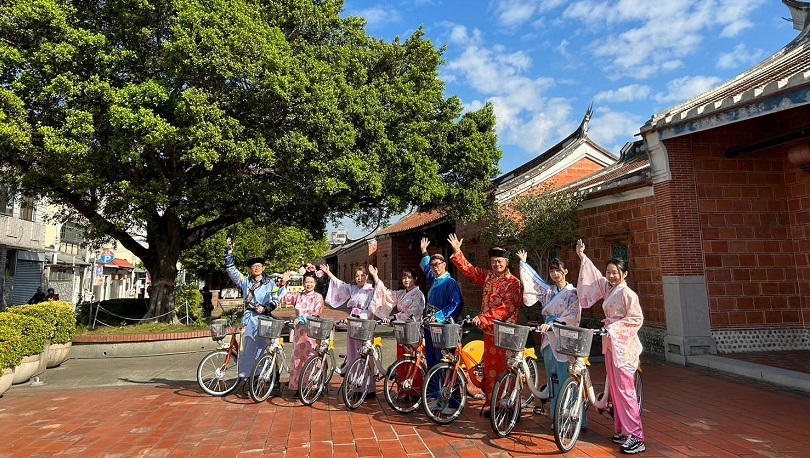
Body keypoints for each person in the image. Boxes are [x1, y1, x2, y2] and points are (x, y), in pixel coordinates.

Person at [575, 239, 645, 454]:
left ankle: (636, 436)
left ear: (625, 274)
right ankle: (623, 430)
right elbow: (596, 278)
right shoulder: (609, 288)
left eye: (615, 272)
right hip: (612, 345)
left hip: (624, 347)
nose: (611, 275)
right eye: (609, 272)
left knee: (625, 391)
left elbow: (636, 319)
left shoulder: (628, 294)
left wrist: (612, 328)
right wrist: (582, 256)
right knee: (615, 390)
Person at [448, 234, 522, 417]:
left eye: (500, 261)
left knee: (506, 369)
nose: (496, 264)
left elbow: (506, 308)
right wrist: (457, 251)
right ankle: (493, 405)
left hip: (506, 334)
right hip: (489, 332)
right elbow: (470, 270)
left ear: (506, 262)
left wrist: (483, 318)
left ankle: (509, 406)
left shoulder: (514, 283)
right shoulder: (488, 277)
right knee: (490, 370)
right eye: (494, 261)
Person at [518, 250, 586, 427]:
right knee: (552, 378)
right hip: (548, 338)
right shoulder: (548, 291)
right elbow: (534, 281)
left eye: (558, 270)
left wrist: (555, 323)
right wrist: (524, 263)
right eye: (552, 271)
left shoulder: (573, 293)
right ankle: (556, 415)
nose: (555, 274)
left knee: (566, 377)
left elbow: (573, 316)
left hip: (565, 338)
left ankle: (571, 416)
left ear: (565, 271)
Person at [224, 237, 283, 389]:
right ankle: (253, 378)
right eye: (253, 266)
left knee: (268, 349)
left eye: (259, 266)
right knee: (248, 349)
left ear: (263, 268)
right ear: (250, 269)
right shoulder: (245, 281)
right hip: (249, 319)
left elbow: (276, 300)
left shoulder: (270, 283)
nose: (256, 268)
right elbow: (232, 271)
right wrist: (229, 254)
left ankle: (275, 379)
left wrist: (265, 307)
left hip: (265, 320)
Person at [320, 263, 381, 396]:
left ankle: (368, 387)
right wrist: (329, 273)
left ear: (366, 276)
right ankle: (355, 385)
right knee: (353, 354)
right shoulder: (353, 289)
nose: (359, 278)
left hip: (364, 324)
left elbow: (380, 292)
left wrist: (375, 276)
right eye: (357, 276)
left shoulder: (371, 289)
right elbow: (340, 285)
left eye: (362, 275)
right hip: (353, 323)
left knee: (365, 354)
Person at [369, 265, 425, 399]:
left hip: (413, 330)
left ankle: (416, 391)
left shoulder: (419, 295)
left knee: (413, 359)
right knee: (402, 359)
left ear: (415, 279)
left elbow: (413, 312)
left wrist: (394, 316)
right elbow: (387, 294)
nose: (406, 280)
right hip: (401, 330)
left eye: (409, 277)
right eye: (404, 277)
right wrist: (375, 277)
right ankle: (403, 391)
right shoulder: (401, 293)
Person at [419, 237, 464, 370]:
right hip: (430, 326)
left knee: (443, 359)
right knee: (431, 358)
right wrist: (424, 251)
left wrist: (439, 316)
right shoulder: (435, 280)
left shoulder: (450, 282)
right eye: (433, 265)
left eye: (438, 264)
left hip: (443, 327)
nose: (435, 267)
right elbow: (427, 269)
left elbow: (457, 303)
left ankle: (447, 383)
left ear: (444, 264)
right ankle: (433, 383)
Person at [279, 267, 325, 397]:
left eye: (311, 282)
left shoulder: (318, 297)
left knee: (311, 357)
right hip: (299, 333)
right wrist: (284, 283)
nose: (308, 284)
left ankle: (313, 385)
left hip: (312, 332)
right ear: (303, 283)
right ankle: (298, 386)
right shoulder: (298, 295)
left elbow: (317, 312)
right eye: (306, 282)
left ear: (315, 284)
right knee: (298, 359)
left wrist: (302, 318)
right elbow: (283, 299)